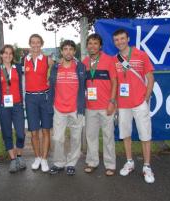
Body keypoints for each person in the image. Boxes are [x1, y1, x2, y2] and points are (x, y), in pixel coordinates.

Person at [112, 29, 155, 183]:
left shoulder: (141, 54)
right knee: (126, 134)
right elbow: (115, 82)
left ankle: (147, 166)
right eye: (116, 40)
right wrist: (115, 101)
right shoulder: (114, 59)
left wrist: (146, 96)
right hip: (123, 104)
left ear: (128, 38)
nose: (119, 42)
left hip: (139, 102)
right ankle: (129, 162)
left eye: (122, 38)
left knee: (145, 135)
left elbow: (150, 77)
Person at [48, 40, 85, 176]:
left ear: (74, 52)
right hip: (59, 108)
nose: (68, 52)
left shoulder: (80, 67)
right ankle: (59, 163)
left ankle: (71, 163)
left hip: (76, 108)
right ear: (61, 52)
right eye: (65, 49)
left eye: (71, 49)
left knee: (76, 138)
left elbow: (84, 86)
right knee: (58, 138)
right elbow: (51, 86)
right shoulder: (56, 68)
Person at [83, 34, 117, 176]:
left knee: (108, 136)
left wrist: (112, 102)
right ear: (87, 46)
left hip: (106, 106)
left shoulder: (109, 60)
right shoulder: (84, 62)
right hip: (90, 107)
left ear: (100, 46)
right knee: (91, 136)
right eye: (90, 43)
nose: (92, 46)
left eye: (95, 43)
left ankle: (110, 165)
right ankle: (92, 162)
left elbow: (115, 82)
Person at [0, 45, 26, 173]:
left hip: (17, 105)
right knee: (7, 133)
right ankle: (13, 160)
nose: (8, 55)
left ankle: (19, 156)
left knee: (20, 134)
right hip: (3, 106)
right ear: (1, 55)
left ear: (13, 55)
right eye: (5, 53)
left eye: (10, 53)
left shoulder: (18, 67)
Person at [24, 34, 53, 172]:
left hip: (44, 97)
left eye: (38, 42)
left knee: (46, 130)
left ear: (41, 44)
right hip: (30, 99)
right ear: (30, 44)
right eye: (33, 43)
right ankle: (37, 157)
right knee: (34, 131)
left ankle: (45, 159)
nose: (35, 45)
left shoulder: (48, 60)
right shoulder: (25, 59)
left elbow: (53, 79)